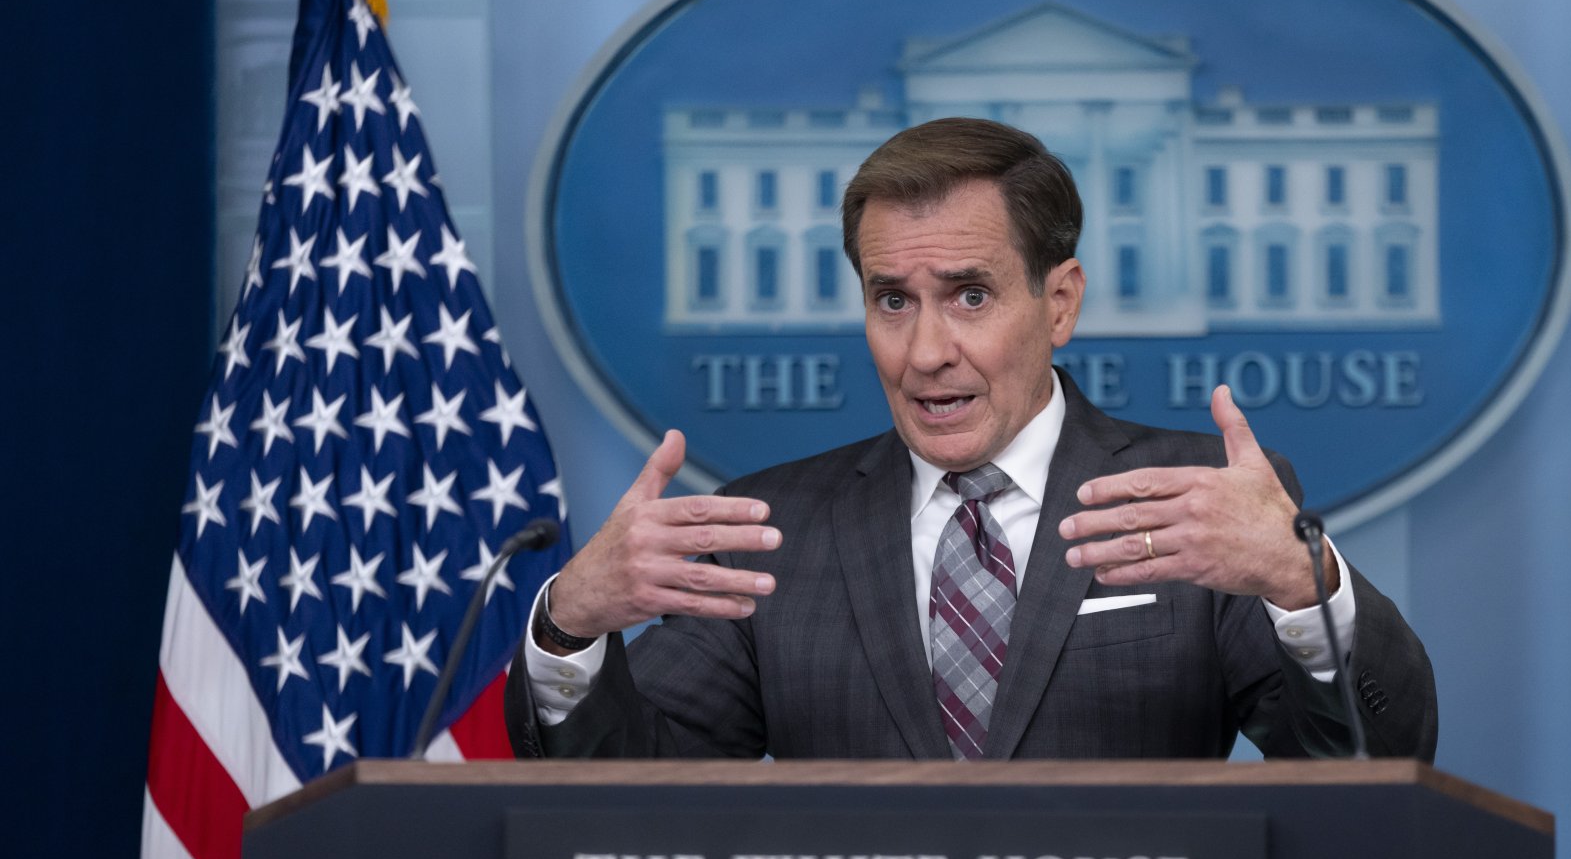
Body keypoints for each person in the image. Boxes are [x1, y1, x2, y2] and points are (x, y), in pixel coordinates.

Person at [504, 117, 1436, 761]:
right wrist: (570, 627)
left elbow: (1368, 762)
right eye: (892, 301)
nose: (926, 353)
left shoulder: (1193, 499)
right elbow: (635, 800)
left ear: (1059, 301)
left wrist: (1301, 586)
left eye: (972, 296)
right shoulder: (771, 533)